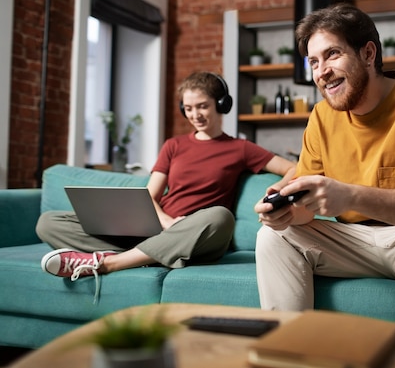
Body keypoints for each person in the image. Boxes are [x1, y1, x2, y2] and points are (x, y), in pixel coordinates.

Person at [254, 3, 395, 330]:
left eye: (333, 54)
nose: (322, 71)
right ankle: (292, 356)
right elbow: (305, 210)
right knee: (273, 237)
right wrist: (285, 211)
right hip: (359, 240)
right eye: (314, 62)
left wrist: (347, 196)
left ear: (368, 53)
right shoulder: (322, 117)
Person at [37, 71, 296, 292]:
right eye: (189, 108)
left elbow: (293, 168)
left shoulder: (240, 148)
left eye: (202, 106)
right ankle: (146, 256)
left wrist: (275, 190)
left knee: (220, 216)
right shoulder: (174, 145)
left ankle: (109, 263)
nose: (195, 114)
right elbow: (150, 196)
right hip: (159, 228)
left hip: (198, 237)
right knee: (48, 222)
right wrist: (168, 223)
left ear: (221, 104)